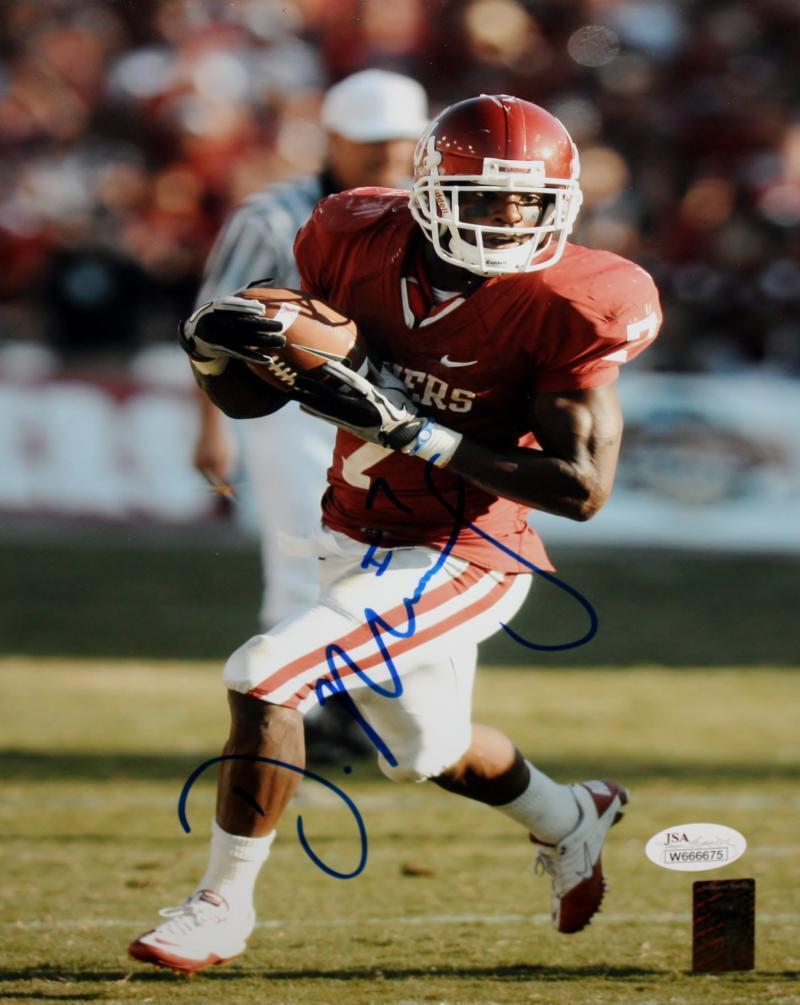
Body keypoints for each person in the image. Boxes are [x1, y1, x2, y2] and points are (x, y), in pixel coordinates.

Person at [130, 94, 662, 973]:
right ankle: (573, 814)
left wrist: (417, 432)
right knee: (428, 752)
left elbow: (581, 488)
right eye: (483, 196)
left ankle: (220, 905)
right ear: (427, 193)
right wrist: (216, 359)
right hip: (353, 531)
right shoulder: (349, 236)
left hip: (468, 553)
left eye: (529, 200)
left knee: (265, 674)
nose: (509, 218)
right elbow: (261, 396)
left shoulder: (574, 298)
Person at [194, 68, 429, 631]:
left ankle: (383, 677)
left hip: (407, 401)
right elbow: (209, 325)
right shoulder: (270, 215)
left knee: (406, 563)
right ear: (334, 139)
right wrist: (211, 426)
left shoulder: (433, 209)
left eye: (400, 139)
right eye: (373, 140)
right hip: (296, 410)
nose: (389, 152)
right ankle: (300, 680)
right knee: (304, 556)